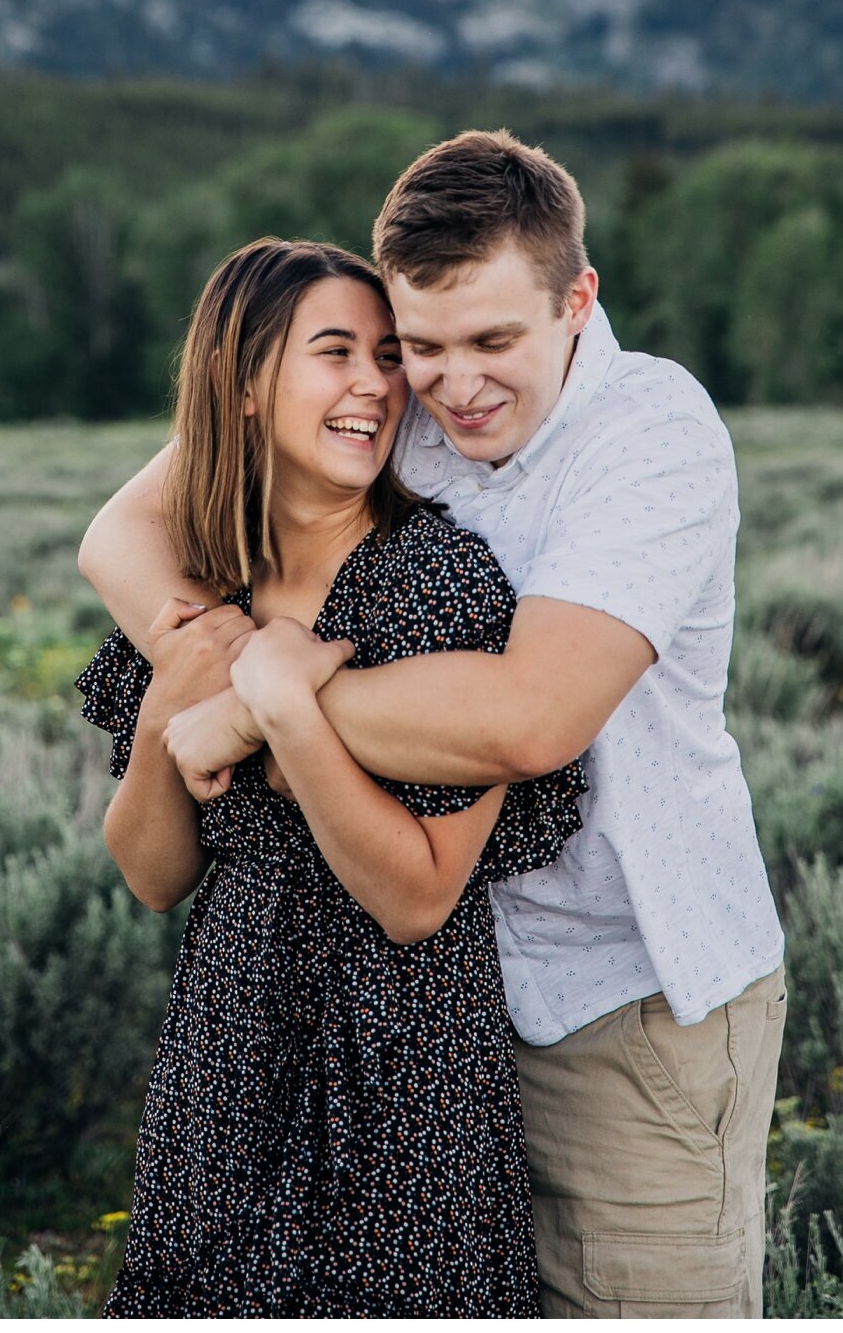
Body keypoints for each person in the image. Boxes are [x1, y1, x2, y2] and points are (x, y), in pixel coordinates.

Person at [81, 131, 788, 1320]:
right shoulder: (389, 398)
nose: (450, 384)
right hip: (404, 1013)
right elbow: (120, 529)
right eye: (424, 345)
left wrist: (257, 704)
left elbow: (529, 721)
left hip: (612, 997)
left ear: (577, 300)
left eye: (493, 341)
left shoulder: (651, 431)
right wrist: (191, 673)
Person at [77, 235, 585, 1318]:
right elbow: (153, 872)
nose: (376, 383)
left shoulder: (437, 583)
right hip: (227, 1045)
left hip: (405, 1069)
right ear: (247, 383)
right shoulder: (205, 580)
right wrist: (181, 690)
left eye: (387, 353)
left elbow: (418, 896)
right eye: (336, 351)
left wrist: (280, 709)